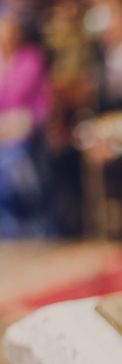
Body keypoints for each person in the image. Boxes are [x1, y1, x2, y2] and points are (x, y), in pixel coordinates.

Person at [0, 5, 52, 237]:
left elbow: (41, 104)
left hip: (26, 131)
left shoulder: (31, 59)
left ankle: (31, 225)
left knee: (14, 162)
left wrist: (22, 123)